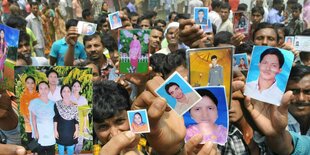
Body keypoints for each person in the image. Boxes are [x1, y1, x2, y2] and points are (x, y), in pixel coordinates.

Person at [29, 81, 56, 155]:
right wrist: (36, 132)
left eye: (45, 88)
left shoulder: (53, 103)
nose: (43, 91)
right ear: (38, 90)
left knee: (51, 152)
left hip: (51, 132)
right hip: (40, 132)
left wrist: (55, 131)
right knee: (41, 152)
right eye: (41, 88)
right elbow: (33, 119)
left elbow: (55, 120)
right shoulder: (34, 102)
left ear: (49, 89)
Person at [54, 85, 79, 155]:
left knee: (70, 150)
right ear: (61, 93)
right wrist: (55, 130)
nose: (66, 93)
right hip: (61, 131)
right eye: (64, 91)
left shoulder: (75, 105)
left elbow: (76, 119)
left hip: (71, 131)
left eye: (68, 91)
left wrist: (77, 131)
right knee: (61, 151)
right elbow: (55, 118)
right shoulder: (57, 104)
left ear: (70, 93)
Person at [70, 80, 90, 153]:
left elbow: (85, 114)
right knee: (71, 143)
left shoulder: (83, 99)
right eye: (74, 86)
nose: (76, 88)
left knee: (79, 143)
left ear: (80, 88)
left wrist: (85, 126)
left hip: (82, 123)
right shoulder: (69, 97)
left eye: (78, 86)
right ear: (72, 87)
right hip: (71, 123)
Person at [19, 76, 39, 148]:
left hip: (37, 123)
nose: (30, 85)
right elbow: (22, 109)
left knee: (38, 140)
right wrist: (26, 118)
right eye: (28, 83)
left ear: (34, 84)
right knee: (31, 141)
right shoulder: (23, 96)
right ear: (25, 84)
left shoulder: (38, 95)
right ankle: (33, 152)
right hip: (28, 123)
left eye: (32, 83)